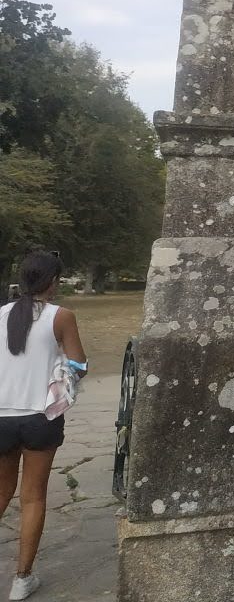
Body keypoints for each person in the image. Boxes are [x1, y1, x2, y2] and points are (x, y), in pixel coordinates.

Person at [1, 251, 87, 601]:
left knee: (1, 492)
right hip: (39, 418)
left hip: (1, 416)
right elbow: (78, 365)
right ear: (53, 282)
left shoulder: (1, 314)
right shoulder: (61, 316)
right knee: (33, 497)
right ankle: (22, 579)